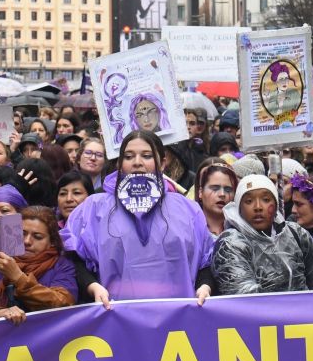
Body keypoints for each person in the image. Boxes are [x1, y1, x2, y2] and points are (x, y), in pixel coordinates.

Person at [63, 130, 215, 306]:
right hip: (116, 319)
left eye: (147, 155)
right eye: (128, 157)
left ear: (162, 162)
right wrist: (93, 286)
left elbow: (206, 259)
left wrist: (205, 286)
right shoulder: (94, 208)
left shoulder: (187, 209)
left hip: (178, 319)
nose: (137, 163)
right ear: (120, 164)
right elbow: (75, 257)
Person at [212, 174, 313, 295]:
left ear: (276, 205)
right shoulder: (231, 242)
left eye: (266, 200)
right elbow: (243, 294)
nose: (258, 207)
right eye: (249, 201)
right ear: (239, 207)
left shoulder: (294, 232)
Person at [0, 207, 81, 320]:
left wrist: (19, 278)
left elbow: (64, 303)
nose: (27, 241)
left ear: (51, 242)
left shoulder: (61, 265)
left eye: (37, 237)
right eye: (22, 234)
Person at [194, 160, 238, 239]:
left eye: (228, 190)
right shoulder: (189, 226)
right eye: (215, 188)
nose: (222, 194)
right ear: (200, 192)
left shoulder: (240, 228)